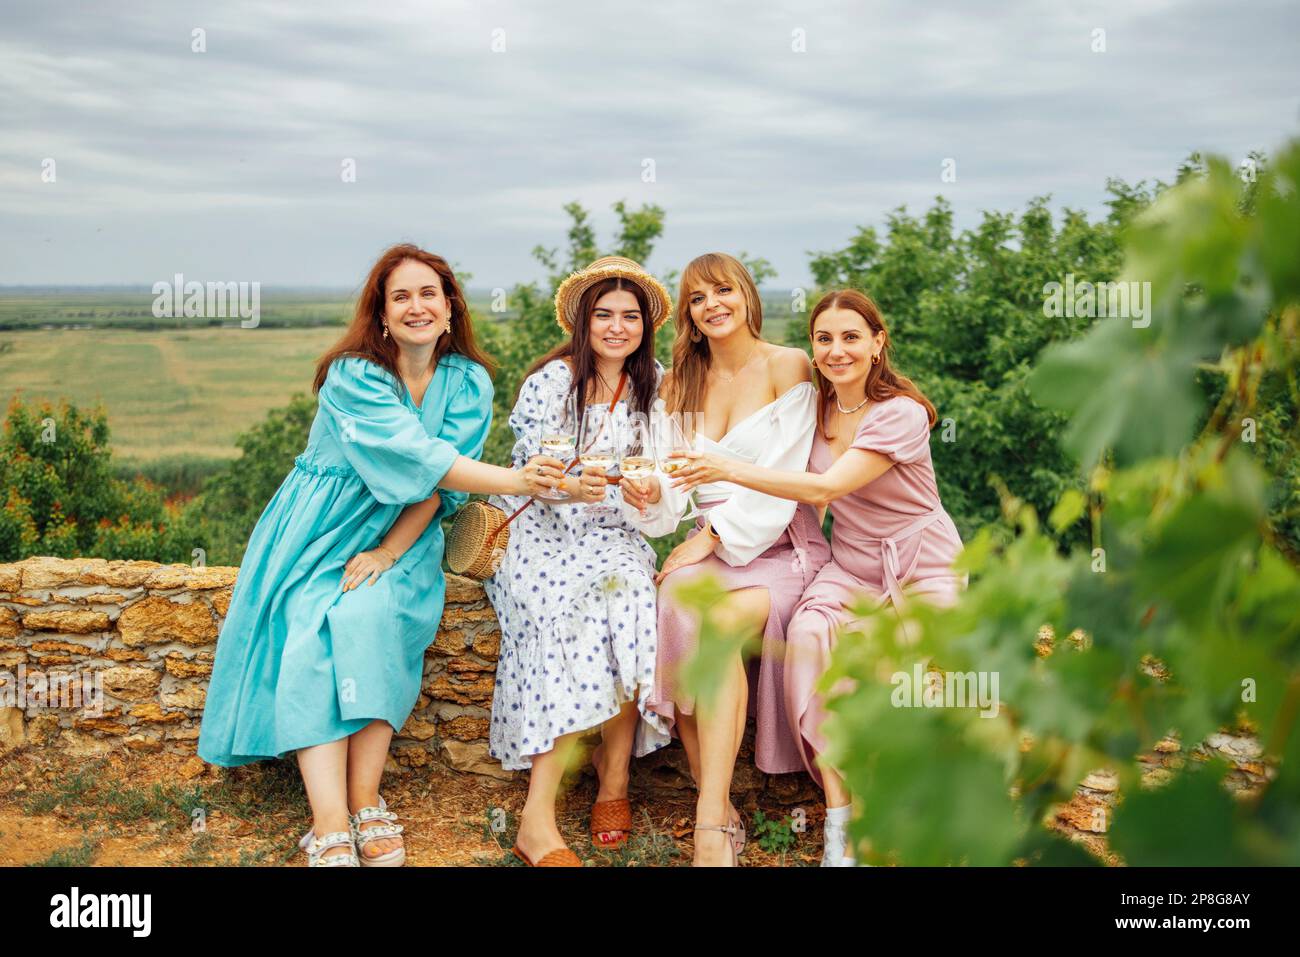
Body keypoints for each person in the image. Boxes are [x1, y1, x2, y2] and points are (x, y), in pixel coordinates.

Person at [197, 244, 563, 867]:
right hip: (320, 526)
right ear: (382, 314)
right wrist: (522, 480)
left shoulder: (467, 380)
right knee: (311, 631)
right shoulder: (354, 374)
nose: (416, 306)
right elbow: (417, 458)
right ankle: (329, 821)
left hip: (402, 531)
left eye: (429, 294)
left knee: (371, 621)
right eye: (401, 297)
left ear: (450, 308)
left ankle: (366, 800)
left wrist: (392, 551)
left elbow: (440, 483)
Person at [670, 289, 965, 866]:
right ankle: (840, 823)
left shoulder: (900, 413)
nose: (836, 351)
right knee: (807, 638)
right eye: (824, 339)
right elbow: (783, 476)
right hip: (850, 565)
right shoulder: (819, 411)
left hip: (919, 564)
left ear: (879, 344)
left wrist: (728, 466)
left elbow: (827, 489)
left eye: (851, 337)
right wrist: (706, 525)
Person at [630, 252, 831, 867]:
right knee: (674, 607)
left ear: (746, 295)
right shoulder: (681, 382)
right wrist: (650, 494)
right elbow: (671, 490)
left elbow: (785, 475)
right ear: (688, 313)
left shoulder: (786, 365)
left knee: (712, 627)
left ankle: (708, 831)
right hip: (709, 544)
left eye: (723, 291)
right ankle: (718, 807)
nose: (712, 305)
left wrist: (712, 536)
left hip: (780, 545)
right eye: (697, 297)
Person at [484, 256, 675, 867]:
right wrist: (571, 486)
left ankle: (613, 779)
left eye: (630, 317)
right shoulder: (551, 381)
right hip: (540, 527)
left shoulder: (657, 385)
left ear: (645, 326)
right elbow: (533, 470)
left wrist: (645, 490)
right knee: (565, 612)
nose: (617, 327)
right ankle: (537, 821)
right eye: (604, 315)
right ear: (583, 322)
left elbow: (658, 471)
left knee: (632, 599)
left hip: (611, 529)